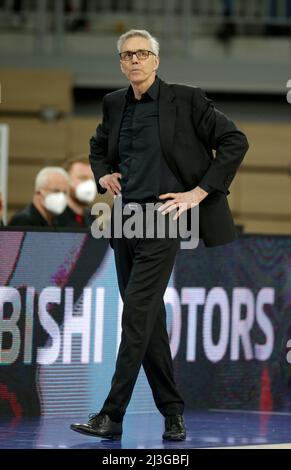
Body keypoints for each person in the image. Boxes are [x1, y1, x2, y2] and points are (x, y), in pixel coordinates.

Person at [71, 29, 249, 441]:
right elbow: (98, 146)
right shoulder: (114, 103)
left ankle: (111, 414)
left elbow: (234, 140)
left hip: (165, 220)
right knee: (149, 323)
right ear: (120, 63)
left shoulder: (186, 99)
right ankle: (172, 412)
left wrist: (199, 192)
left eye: (142, 53)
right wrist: (102, 175)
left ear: (156, 60)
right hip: (124, 222)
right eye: (127, 55)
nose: (134, 60)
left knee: (135, 315)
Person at [56, 154, 97, 228]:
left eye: (92, 179)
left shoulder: (90, 217)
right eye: (82, 178)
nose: (89, 184)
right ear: (65, 181)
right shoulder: (54, 218)